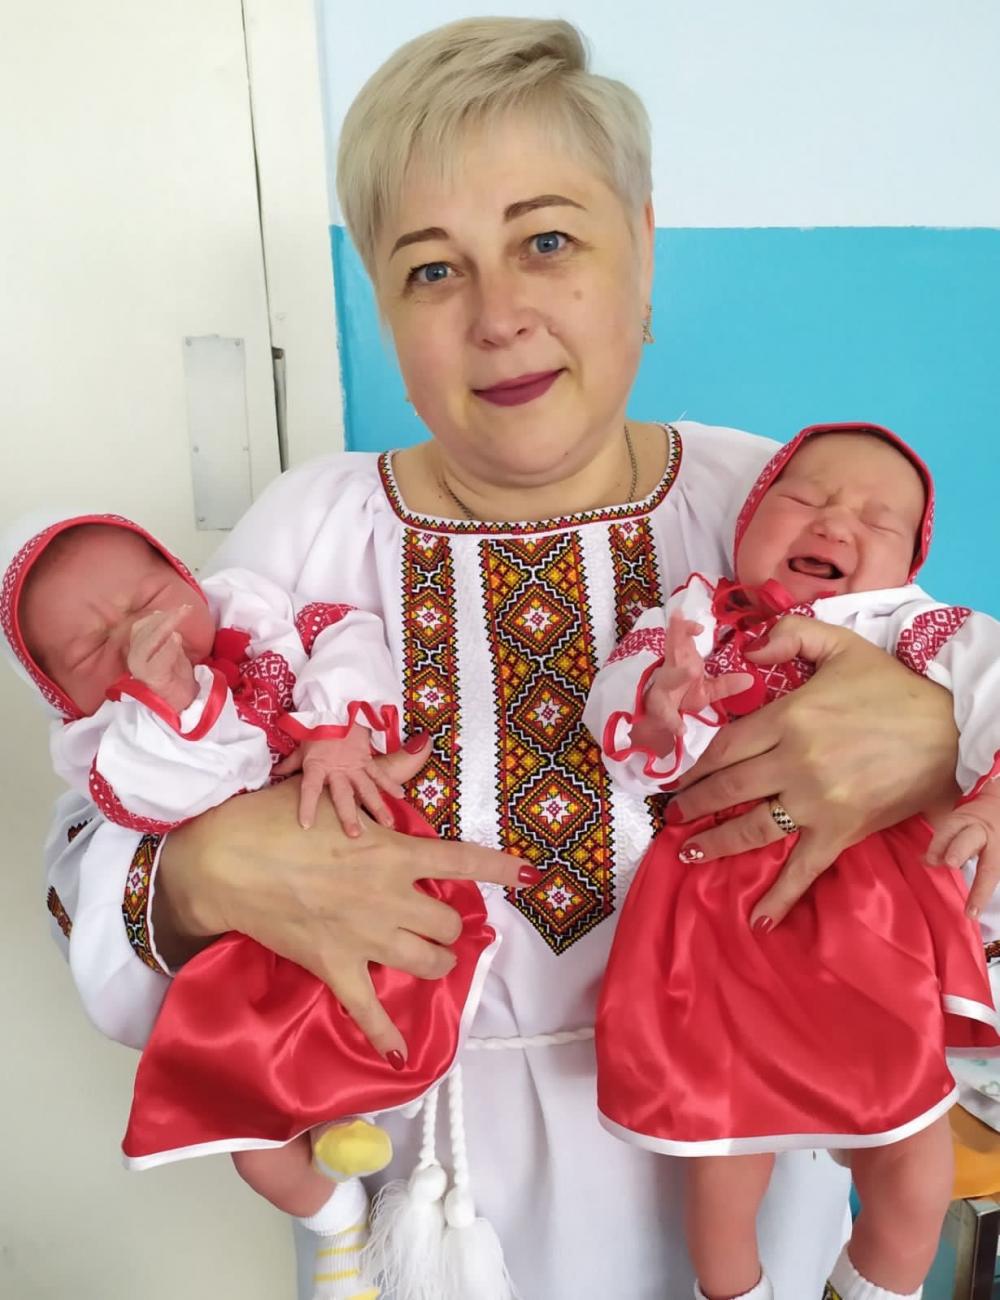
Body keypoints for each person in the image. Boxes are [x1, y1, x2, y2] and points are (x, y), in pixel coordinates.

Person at [40, 19, 968, 1300]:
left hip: (752, 1156)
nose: (498, 317)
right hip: (425, 1198)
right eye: (433, 269)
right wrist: (201, 875)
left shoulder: (772, 502)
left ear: (642, 247)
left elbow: (951, 711)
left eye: (547, 242)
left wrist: (934, 741)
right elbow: (91, 844)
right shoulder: (305, 532)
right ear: (383, 303)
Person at [3, 513, 500, 1300]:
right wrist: (175, 701)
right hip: (253, 963)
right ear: (62, 698)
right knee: (247, 1130)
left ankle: (349, 1124)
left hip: (396, 932)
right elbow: (192, 793)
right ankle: (337, 1223)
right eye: (93, 650)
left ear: (187, 575)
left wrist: (337, 727)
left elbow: (345, 634)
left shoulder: (262, 625)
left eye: (150, 598)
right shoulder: (118, 748)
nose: (139, 635)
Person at [584, 422, 1000, 1300]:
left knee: (914, 1165)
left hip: (873, 923)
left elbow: (992, 681)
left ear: (911, 562)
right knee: (723, 1156)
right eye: (804, 498)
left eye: (879, 520)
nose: (835, 523)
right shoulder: (696, 621)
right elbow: (623, 720)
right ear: (746, 523)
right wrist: (662, 707)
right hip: (722, 919)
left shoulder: (913, 629)